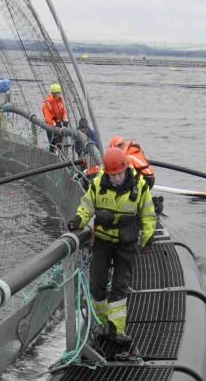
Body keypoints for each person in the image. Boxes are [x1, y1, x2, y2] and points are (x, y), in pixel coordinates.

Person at [67, 147, 157, 360]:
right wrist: (78, 220)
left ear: (126, 169)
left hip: (126, 245)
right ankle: (102, 321)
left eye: (120, 174)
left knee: (119, 288)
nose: (117, 178)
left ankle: (116, 330)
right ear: (107, 173)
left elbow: (148, 214)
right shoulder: (98, 185)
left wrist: (148, 237)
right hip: (103, 243)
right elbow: (87, 206)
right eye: (113, 174)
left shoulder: (140, 188)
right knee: (97, 286)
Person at [42, 82, 69, 153]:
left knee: (60, 142)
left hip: (59, 123)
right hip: (51, 125)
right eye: (57, 93)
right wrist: (54, 125)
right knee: (53, 143)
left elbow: (63, 111)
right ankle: (52, 155)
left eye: (59, 92)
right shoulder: (47, 103)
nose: (58, 94)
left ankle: (60, 155)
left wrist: (65, 120)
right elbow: (48, 117)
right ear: (53, 93)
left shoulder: (60, 101)